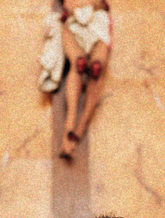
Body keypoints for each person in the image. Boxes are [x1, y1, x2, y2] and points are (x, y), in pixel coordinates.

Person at [57, 0, 111, 159]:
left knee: (85, 65)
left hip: (83, 18)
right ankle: (75, 128)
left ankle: (72, 129)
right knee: (89, 66)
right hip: (88, 18)